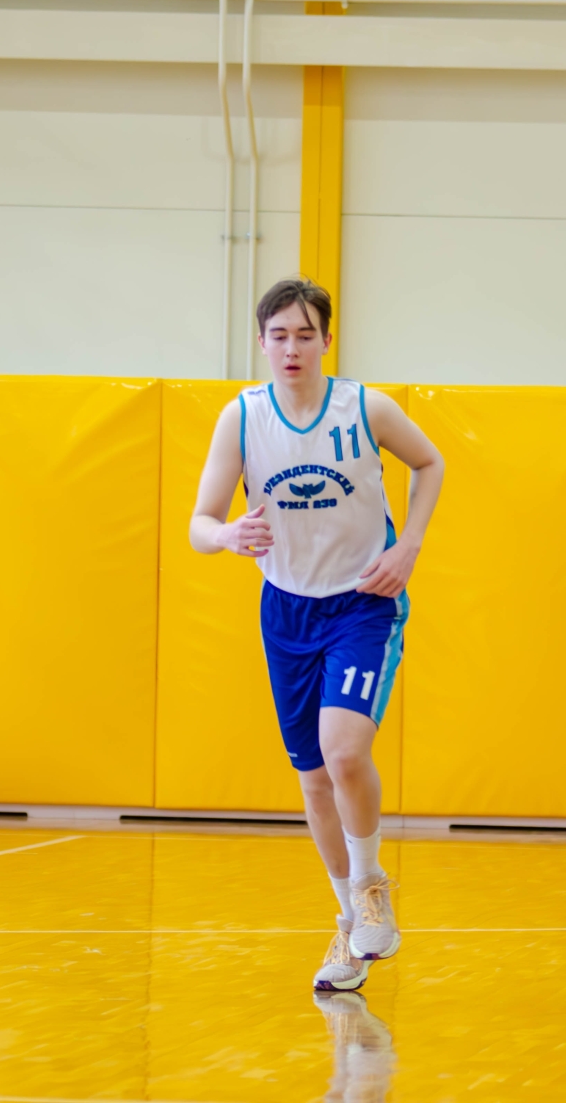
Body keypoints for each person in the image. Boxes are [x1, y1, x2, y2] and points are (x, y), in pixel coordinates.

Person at [190, 278, 444, 994]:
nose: (292, 348)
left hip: (363, 602)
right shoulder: (242, 418)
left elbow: (431, 463)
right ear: (262, 342)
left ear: (327, 340)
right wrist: (227, 534)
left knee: (344, 750)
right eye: (279, 336)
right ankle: (348, 922)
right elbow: (199, 524)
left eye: (305, 334)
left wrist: (409, 546)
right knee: (313, 777)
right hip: (287, 609)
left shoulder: (365, 408)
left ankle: (371, 887)